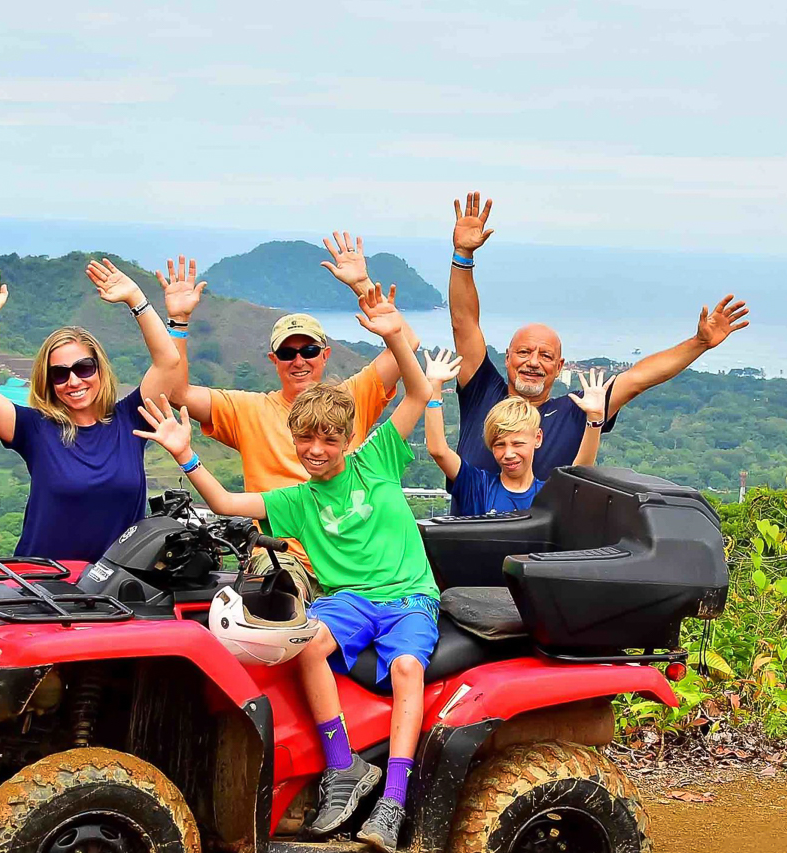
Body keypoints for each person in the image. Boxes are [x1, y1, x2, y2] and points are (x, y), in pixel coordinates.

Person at [135, 284, 437, 853]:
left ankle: (395, 794)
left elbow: (417, 392)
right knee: (307, 643)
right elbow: (225, 503)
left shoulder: (378, 459)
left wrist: (395, 331)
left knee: (405, 670)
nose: (317, 449)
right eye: (306, 440)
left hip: (407, 597)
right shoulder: (295, 499)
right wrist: (184, 454)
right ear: (294, 441)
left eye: (328, 439)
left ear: (349, 438)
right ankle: (342, 767)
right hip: (349, 597)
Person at [150, 234, 418, 597]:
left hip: (348, 548)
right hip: (281, 550)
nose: (299, 360)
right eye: (287, 353)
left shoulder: (350, 397)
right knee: (281, 590)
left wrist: (363, 286)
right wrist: (178, 321)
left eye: (308, 350)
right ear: (274, 360)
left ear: (325, 355)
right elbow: (176, 393)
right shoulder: (247, 409)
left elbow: (408, 342)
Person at [446, 191, 751, 480]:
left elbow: (640, 378)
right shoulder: (483, 392)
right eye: (524, 352)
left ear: (560, 365)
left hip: (546, 536)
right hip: (469, 531)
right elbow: (464, 322)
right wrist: (462, 255)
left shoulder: (578, 410)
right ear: (508, 356)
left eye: (546, 355)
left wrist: (698, 344)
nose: (533, 362)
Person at [0, 260, 183, 563]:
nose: (73, 381)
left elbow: (169, 362)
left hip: (118, 585)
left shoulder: (131, 419)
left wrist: (136, 298)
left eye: (83, 368)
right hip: (45, 585)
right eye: (60, 373)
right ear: (48, 381)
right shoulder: (34, 429)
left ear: (100, 370)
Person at [423, 349, 611, 514]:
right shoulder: (477, 486)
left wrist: (594, 418)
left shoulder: (549, 495)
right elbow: (438, 450)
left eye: (518, 443)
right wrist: (434, 388)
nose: (509, 454)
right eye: (500, 445)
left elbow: (579, 472)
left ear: (537, 438)